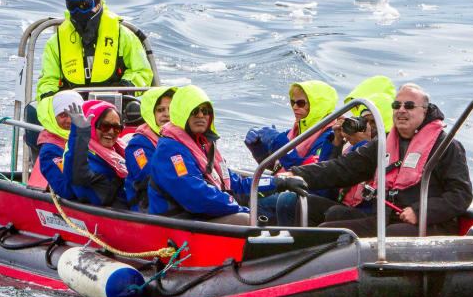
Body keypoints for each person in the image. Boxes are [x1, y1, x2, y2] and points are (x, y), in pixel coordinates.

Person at [283, 84, 473, 237]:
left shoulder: (447, 146)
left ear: (425, 111)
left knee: (391, 234)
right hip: (387, 219)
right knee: (330, 227)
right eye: (396, 106)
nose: (401, 111)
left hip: (433, 225)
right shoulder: (384, 143)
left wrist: (420, 212)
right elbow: (343, 168)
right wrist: (296, 174)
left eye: (408, 106)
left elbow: (461, 195)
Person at [148, 85, 305, 224]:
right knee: (246, 220)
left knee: (275, 203)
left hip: (202, 216)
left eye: (206, 111)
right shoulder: (170, 151)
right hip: (180, 223)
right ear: (182, 113)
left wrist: (277, 182)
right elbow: (196, 197)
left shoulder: (204, 146)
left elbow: (235, 184)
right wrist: (239, 208)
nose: (201, 116)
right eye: (195, 111)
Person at [31, 0, 154, 139]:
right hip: (73, 111)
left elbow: (142, 72)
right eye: (72, 6)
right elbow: (47, 81)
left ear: (97, 5)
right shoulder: (56, 43)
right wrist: (55, 100)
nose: (78, 11)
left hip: (116, 110)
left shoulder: (123, 35)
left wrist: (124, 86)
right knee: (33, 112)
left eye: (84, 5)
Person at [244, 79, 339, 173]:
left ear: (318, 105)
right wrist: (257, 146)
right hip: (283, 184)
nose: (294, 107)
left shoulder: (330, 138)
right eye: (293, 102)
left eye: (300, 103)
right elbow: (275, 166)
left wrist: (279, 143)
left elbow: (309, 174)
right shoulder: (294, 132)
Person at [63, 99, 130, 207]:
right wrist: (80, 132)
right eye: (105, 126)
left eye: (117, 128)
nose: (111, 132)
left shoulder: (119, 150)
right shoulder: (85, 156)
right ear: (92, 127)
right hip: (110, 214)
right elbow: (76, 175)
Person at [121, 86, 176, 209]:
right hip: (149, 208)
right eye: (160, 110)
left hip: (178, 201)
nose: (167, 114)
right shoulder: (137, 146)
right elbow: (149, 176)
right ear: (151, 112)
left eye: (171, 109)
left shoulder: (183, 138)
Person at [29, 89, 82, 198]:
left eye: (74, 114)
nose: (69, 120)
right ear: (54, 116)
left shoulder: (89, 137)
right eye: (63, 115)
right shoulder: (50, 150)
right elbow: (64, 189)